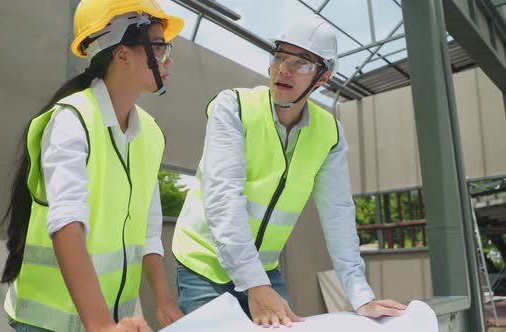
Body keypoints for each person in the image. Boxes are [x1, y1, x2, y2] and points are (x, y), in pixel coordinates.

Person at [172, 14, 407, 328]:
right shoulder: (234, 107)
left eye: (301, 63)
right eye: (279, 56)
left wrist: (360, 295)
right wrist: (256, 286)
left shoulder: (330, 134)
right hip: (204, 265)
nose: (283, 69)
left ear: (323, 77)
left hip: (265, 269)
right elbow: (223, 199)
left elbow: (337, 212)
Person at [0, 0, 184, 331]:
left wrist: (165, 301)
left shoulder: (151, 134)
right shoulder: (72, 119)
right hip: (46, 323)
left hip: (113, 321)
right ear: (122, 55)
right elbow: (67, 220)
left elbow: (149, 227)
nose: (167, 59)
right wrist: (101, 326)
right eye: (158, 47)